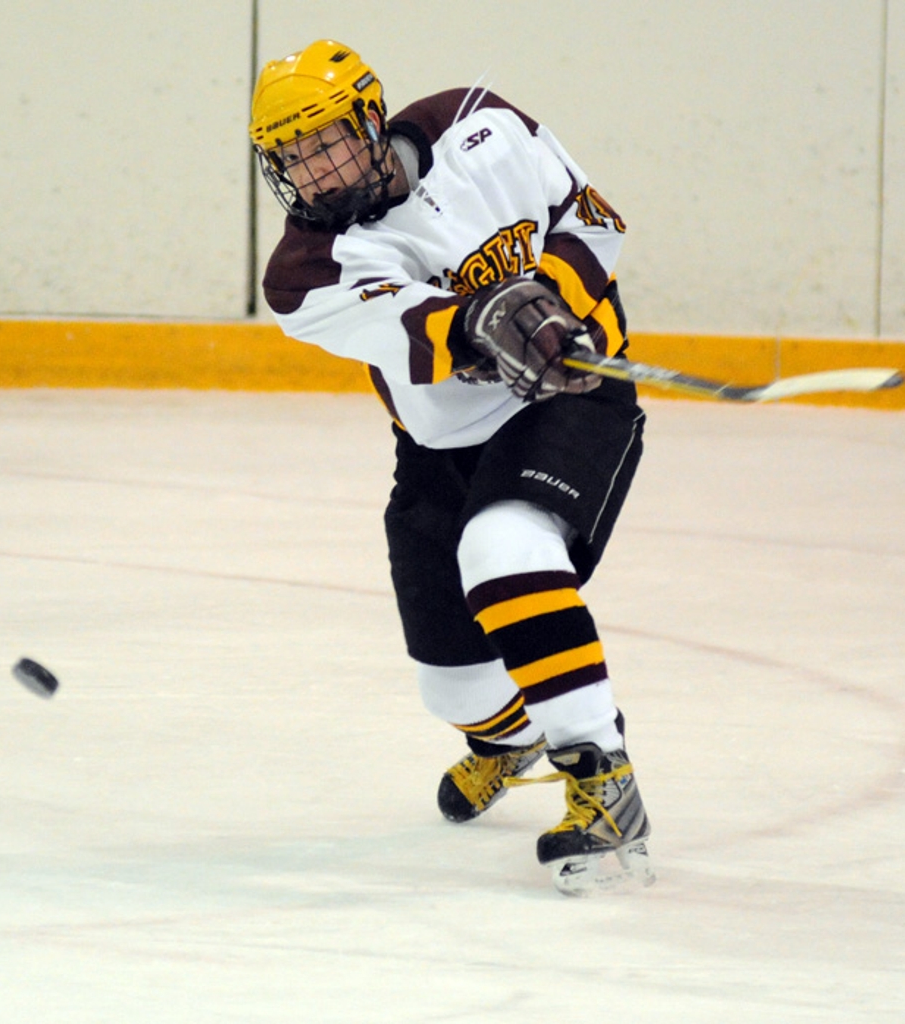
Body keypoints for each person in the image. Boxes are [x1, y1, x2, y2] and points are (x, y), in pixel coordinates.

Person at [249, 39, 653, 895]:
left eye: (324, 141)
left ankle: (603, 778)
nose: (313, 172)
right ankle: (512, 741)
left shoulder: (481, 124)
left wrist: (557, 302)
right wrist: (496, 319)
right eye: (292, 158)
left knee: (503, 551)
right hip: (442, 446)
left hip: (570, 397)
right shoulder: (304, 273)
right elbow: (428, 333)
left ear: (369, 118)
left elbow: (595, 222)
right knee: (454, 689)